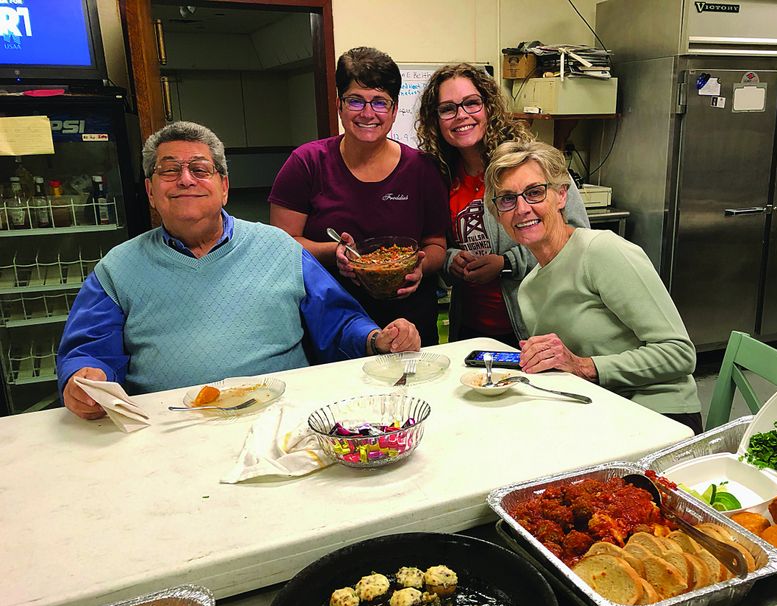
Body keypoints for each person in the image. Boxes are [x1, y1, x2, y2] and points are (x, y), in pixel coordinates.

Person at [57, 121, 420, 420]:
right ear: (151, 192)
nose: (185, 179)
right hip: (170, 428)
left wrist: (377, 338)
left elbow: (338, 321)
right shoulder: (118, 268)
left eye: (200, 169)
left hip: (282, 418)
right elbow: (89, 350)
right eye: (169, 170)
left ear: (224, 186)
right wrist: (85, 378)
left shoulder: (279, 248)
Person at [484, 140, 702, 432]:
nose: (522, 208)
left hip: (659, 416)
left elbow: (679, 354)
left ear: (561, 195)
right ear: (498, 214)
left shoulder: (601, 251)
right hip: (595, 409)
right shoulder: (528, 289)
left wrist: (584, 366)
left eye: (535, 192)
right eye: (507, 199)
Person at [269, 47, 449, 346]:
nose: (368, 113)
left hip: (410, 325)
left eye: (380, 102)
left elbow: (436, 244)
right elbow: (281, 244)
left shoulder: (422, 168)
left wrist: (421, 267)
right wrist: (331, 251)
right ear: (340, 105)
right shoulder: (307, 163)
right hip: (330, 324)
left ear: (394, 110)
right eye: (356, 100)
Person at [415, 63, 589, 346]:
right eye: (448, 108)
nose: (461, 116)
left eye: (471, 103)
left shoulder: (529, 163)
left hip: (535, 327)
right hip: (472, 328)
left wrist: (507, 264)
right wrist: (451, 261)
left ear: (488, 108)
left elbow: (576, 234)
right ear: (435, 119)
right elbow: (438, 244)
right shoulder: (440, 175)